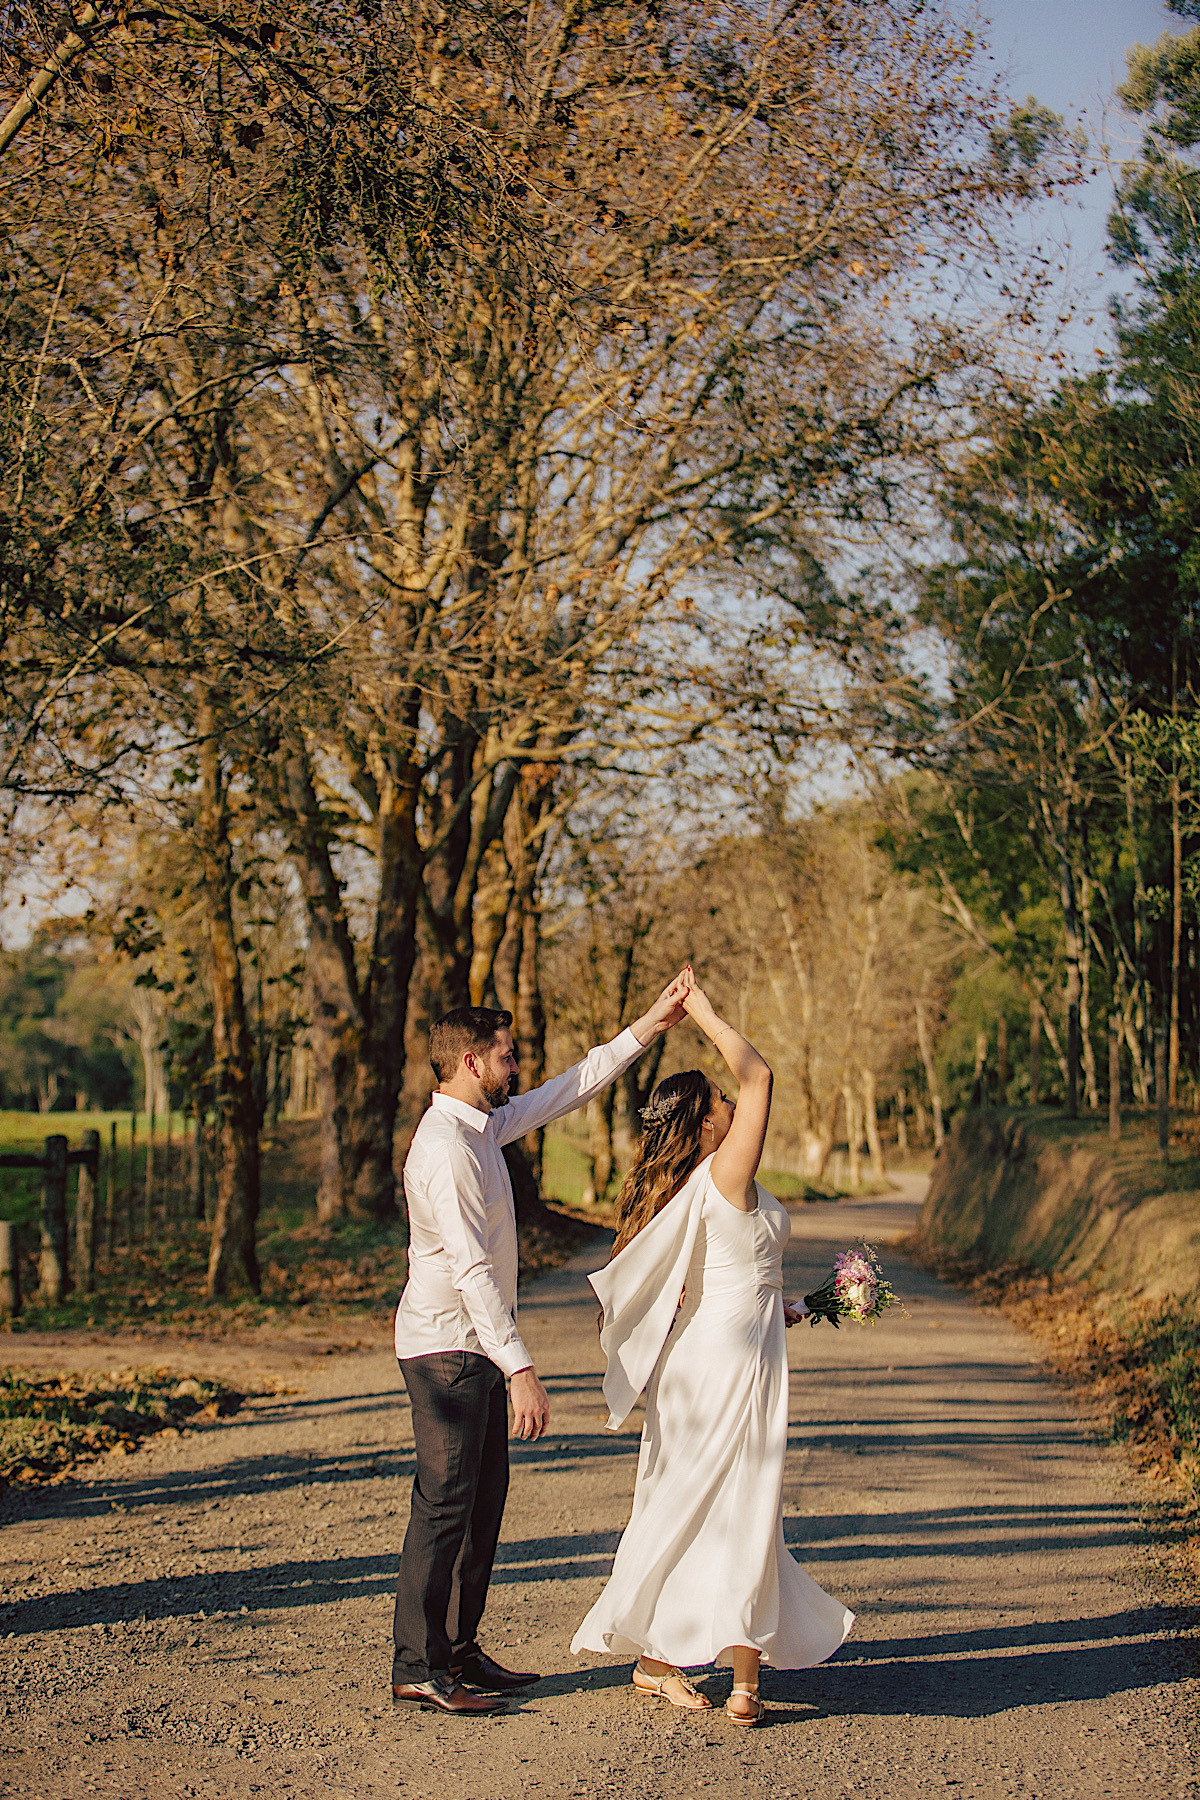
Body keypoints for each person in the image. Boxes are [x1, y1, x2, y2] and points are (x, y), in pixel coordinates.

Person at [390, 972, 692, 1716]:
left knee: (482, 1503)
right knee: (445, 1505)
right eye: (506, 1056)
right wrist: (520, 1367)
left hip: (475, 1350)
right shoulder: (446, 1149)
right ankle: (417, 1665)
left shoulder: (481, 1127)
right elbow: (469, 1271)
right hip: (447, 1350)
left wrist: (649, 1025)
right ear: (471, 1063)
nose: (516, 1066)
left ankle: (458, 1650)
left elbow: (570, 1088)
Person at [570, 973, 854, 1724]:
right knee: (737, 1502)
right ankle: (723, 1673)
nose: (733, 1105)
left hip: (727, 1351)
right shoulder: (725, 1174)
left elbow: (728, 1278)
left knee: (716, 1502)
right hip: (727, 1366)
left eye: (728, 1099)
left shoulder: (700, 1185)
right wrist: (699, 1011)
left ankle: (688, 1664)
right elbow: (761, 1075)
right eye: (720, 1102)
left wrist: (798, 1307)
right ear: (703, 1125)